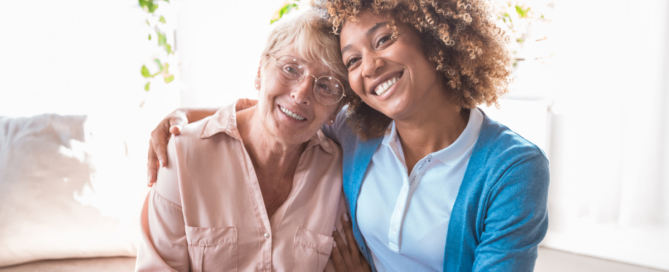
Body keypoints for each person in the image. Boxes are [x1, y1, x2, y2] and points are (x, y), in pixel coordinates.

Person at [147, 0, 550, 271]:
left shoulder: (513, 169)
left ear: (433, 37)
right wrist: (184, 117)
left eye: (384, 39)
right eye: (353, 59)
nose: (370, 66)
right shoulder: (360, 132)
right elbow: (282, 109)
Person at [135, 9, 358, 272]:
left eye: (325, 86)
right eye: (290, 68)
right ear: (259, 72)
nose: (301, 94)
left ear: (336, 110)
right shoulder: (182, 157)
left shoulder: (340, 174)